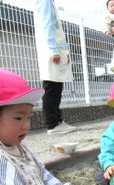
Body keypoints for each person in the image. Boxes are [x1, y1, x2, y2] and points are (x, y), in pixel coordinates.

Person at [34, 0, 77, 135]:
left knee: (56, 85)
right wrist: (54, 50)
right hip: (51, 49)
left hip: (54, 48)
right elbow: (46, 25)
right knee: (52, 86)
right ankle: (52, 124)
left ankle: (57, 121)